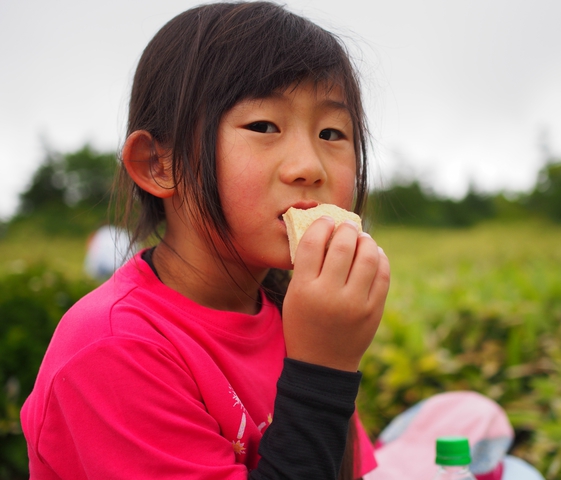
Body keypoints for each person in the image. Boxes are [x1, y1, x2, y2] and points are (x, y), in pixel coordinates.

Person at [20, 2, 390, 479]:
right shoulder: (114, 349)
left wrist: (329, 360)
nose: (310, 167)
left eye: (332, 133)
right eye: (263, 126)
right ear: (159, 164)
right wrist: (323, 372)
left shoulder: (297, 314)